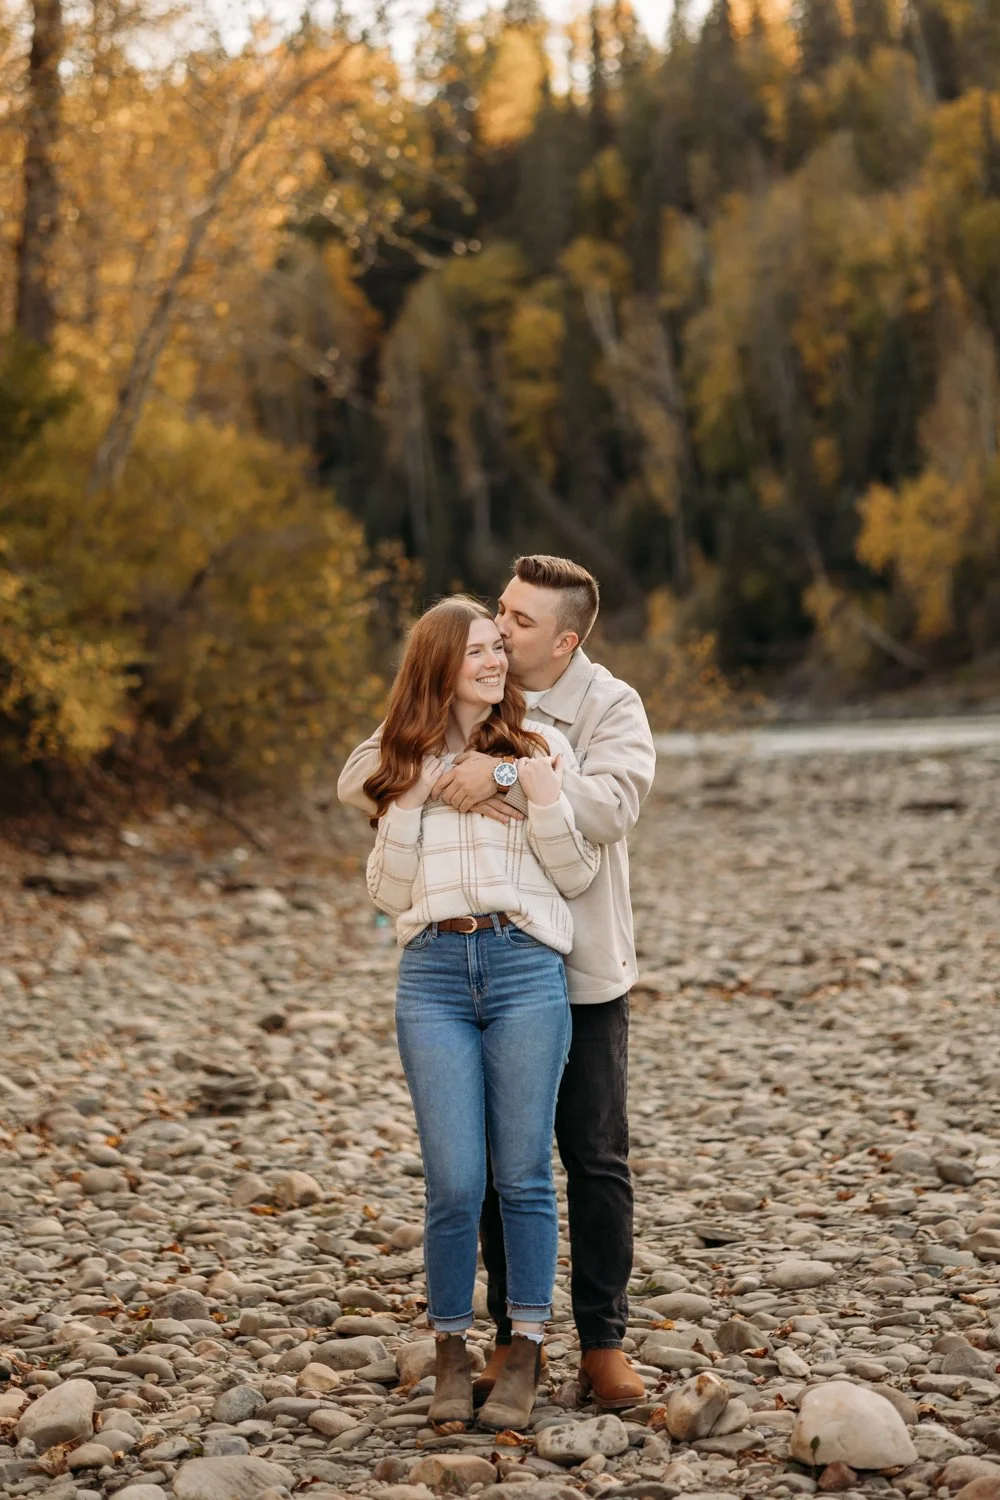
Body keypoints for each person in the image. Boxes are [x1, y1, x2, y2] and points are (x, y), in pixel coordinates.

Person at [340, 556, 656, 1411]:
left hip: (576, 965)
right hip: (451, 962)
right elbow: (363, 774)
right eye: (497, 618)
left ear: (565, 639)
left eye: (516, 623)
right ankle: (513, 1339)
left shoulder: (604, 708)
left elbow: (612, 812)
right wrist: (423, 781)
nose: (502, 632)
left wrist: (510, 773)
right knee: (480, 1164)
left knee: (589, 1156)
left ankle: (602, 1342)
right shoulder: (466, 696)